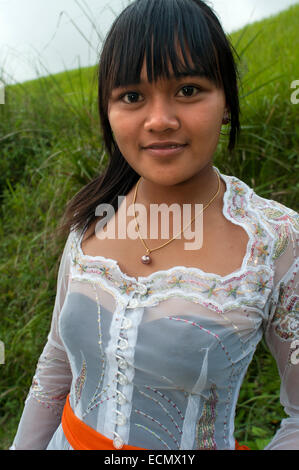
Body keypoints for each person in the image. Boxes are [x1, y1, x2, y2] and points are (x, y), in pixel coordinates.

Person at [11, 0, 298, 450]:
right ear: (109, 111)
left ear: (226, 101)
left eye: (188, 90)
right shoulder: (92, 220)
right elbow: (56, 365)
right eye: (131, 97)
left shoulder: (274, 242)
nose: (160, 120)